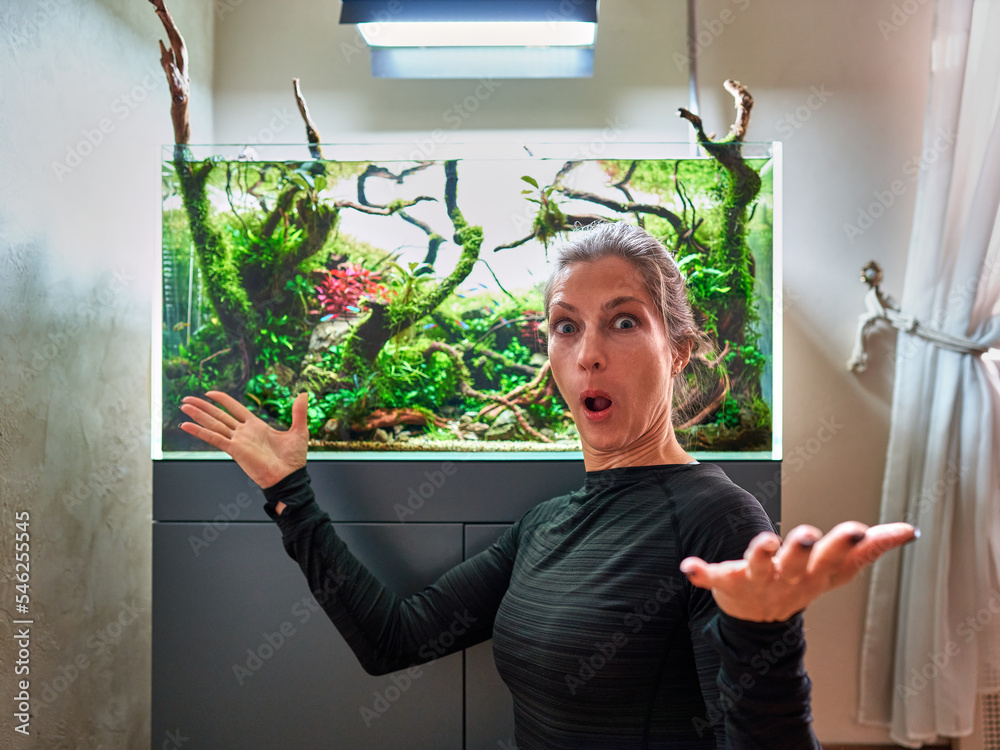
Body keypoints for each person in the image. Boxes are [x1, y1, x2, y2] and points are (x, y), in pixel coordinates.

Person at [179, 221, 916, 749]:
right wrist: (289, 491)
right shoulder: (548, 523)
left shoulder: (718, 517)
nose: (589, 355)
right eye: (568, 327)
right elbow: (392, 640)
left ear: (681, 351)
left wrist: (764, 634)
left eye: (623, 323)